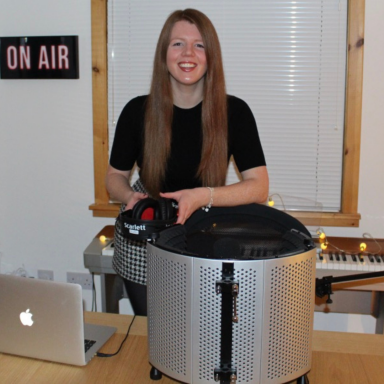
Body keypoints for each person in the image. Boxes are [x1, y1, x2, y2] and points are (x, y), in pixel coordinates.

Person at [106, 9, 269, 316]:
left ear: (211, 56)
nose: (188, 54)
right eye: (177, 44)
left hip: (204, 230)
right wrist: (129, 196)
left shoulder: (236, 113)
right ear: (164, 54)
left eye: (199, 45)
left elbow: (259, 188)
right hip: (146, 235)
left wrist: (202, 196)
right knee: (151, 336)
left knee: (200, 337)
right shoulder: (135, 111)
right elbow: (114, 175)